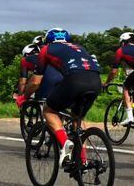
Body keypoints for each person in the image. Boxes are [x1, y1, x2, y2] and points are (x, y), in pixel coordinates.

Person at [23, 28, 102, 166]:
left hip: (75, 80)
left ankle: (65, 142)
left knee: (48, 110)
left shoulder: (46, 49)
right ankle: (83, 161)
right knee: (78, 118)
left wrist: (24, 96)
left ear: (48, 41)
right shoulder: (79, 47)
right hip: (96, 81)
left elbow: (35, 82)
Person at [102, 32, 134, 128]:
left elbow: (114, 71)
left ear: (123, 42)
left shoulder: (121, 50)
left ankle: (130, 117)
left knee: (126, 87)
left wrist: (106, 83)